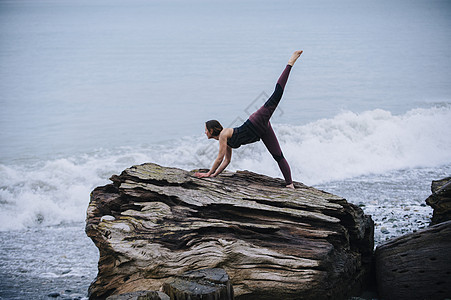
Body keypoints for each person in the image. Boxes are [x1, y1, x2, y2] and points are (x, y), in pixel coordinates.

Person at [195, 50, 303, 188]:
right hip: (262, 130)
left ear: (211, 130)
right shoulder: (225, 140)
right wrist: (214, 175)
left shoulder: (223, 135)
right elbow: (227, 161)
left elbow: (219, 157)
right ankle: (290, 185)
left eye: (205, 130)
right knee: (278, 155)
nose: (204, 132)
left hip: (257, 120)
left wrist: (208, 173)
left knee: (277, 94)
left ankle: (290, 63)